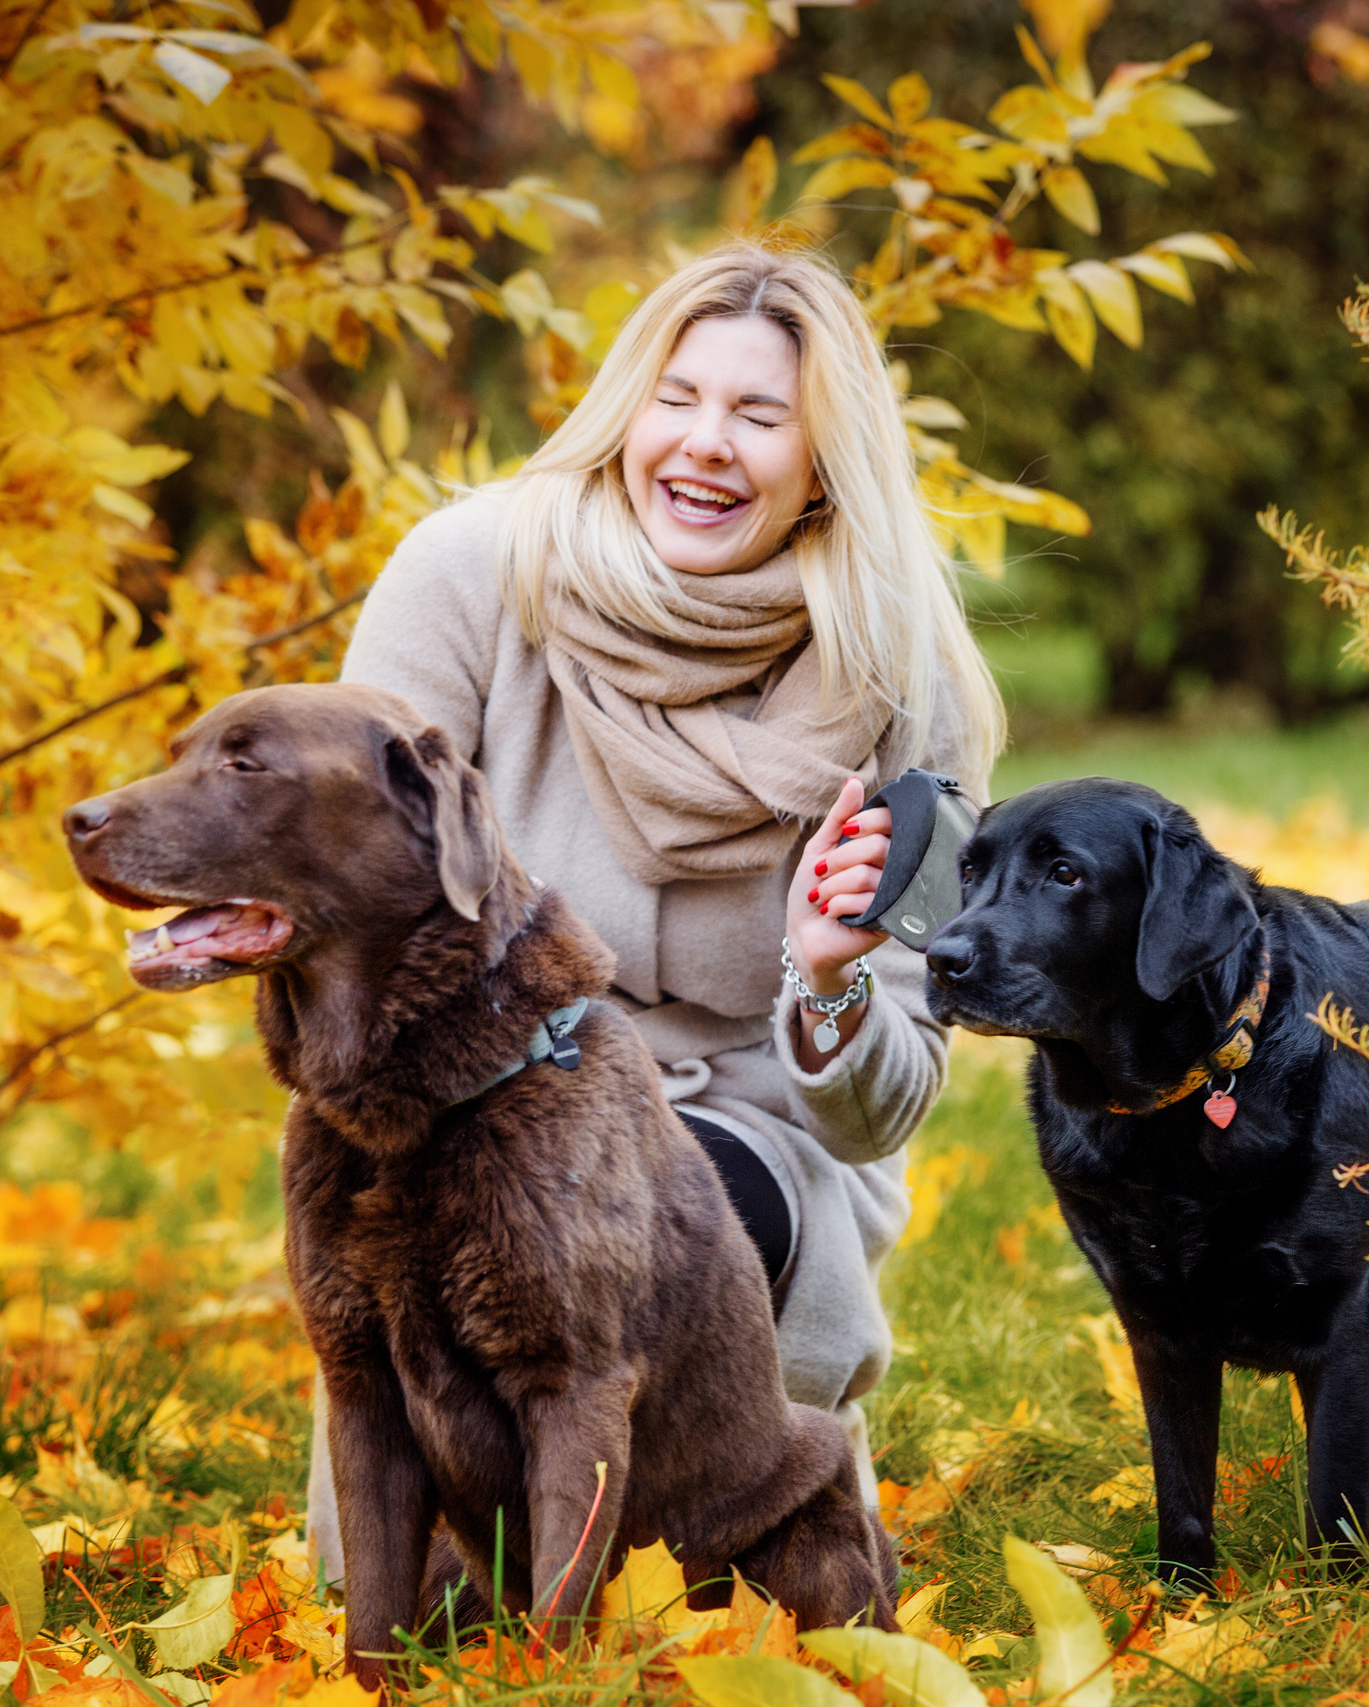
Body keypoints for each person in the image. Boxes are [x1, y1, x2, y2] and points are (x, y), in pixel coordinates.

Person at [303, 243, 1004, 1583]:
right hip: (464, 1106)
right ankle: (484, 1550)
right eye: (677, 398)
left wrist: (831, 979)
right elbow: (357, 890)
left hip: (749, 1134)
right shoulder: (468, 577)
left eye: (759, 414)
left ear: (823, 461)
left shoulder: (908, 684)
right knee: (435, 1582)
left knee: (628, 1226)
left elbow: (890, 1097)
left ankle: (716, 1514)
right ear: (627, 411)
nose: (704, 445)